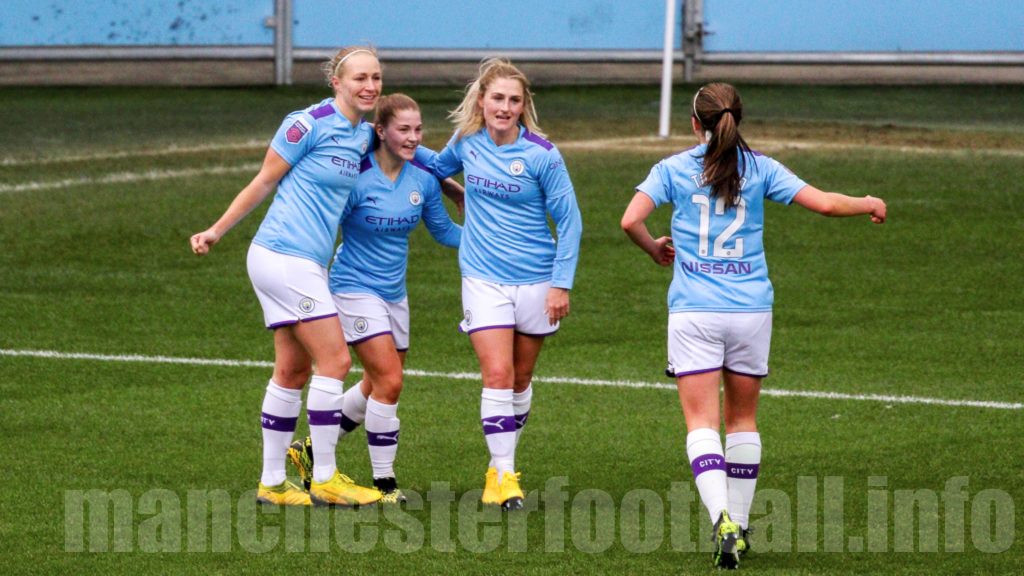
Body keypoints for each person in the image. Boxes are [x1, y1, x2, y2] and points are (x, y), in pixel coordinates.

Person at [620, 82, 886, 569]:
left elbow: (629, 220)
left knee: (701, 423)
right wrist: (867, 201)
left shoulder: (673, 168)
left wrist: (654, 248)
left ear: (694, 123)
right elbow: (825, 203)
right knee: (742, 421)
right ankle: (738, 527)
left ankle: (720, 517)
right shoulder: (761, 167)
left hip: (694, 312)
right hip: (750, 312)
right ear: (737, 121)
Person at [189, 46, 389, 507]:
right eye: (360, 77)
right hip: (284, 257)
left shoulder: (361, 134)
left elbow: (403, 147)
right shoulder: (308, 123)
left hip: (303, 261)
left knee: (293, 369)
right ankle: (325, 477)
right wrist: (217, 230)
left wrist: (449, 185)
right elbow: (264, 180)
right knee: (336, 361)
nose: (370, 86)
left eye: (376, 78)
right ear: (336, 82)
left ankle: (273, 483)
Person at [286, 93, 462, 504]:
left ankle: (309, 449)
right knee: (391, 381)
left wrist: (489, 235)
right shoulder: (355, 177)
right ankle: (385, 484)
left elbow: (444, 232)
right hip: (351, 288)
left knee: (375, 382)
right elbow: (320, 220)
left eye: (418, 129)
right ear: (380, 131)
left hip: (394, 294)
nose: (413, 137)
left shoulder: (422, 179)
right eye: (403, 129)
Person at [425, 58, 583, 511]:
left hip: (536, 279)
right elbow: (436, 167)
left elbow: (569, 222)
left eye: (514, 100)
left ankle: (500, 466)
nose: (505, 107)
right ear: (482, 101)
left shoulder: (542, 154)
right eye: (498, 98)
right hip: (481, 278)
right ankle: (504, 478)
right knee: (497, 374)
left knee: (521, 378)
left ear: (523, 105)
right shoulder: (467, 142)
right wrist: (447, 183)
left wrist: (561, 284)